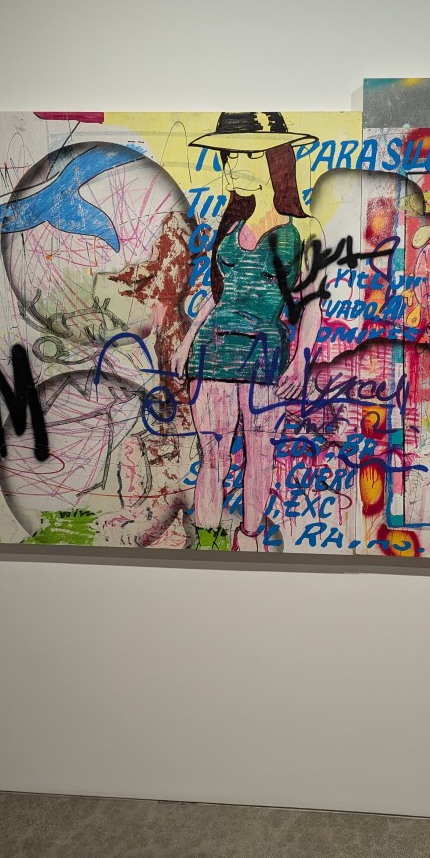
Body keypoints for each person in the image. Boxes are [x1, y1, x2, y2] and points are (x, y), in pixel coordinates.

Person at [171, 112, 323, 551]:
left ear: (277, 159)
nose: (234, 165)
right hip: (213, 350)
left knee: (260, 455)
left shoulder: (304, 229)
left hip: (266, 353)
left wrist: (301, 361)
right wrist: (186, 342)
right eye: (230, 155)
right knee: (213, 456)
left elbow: (311, 303)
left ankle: (250, 542)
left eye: (247, 154)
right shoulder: (232, 223)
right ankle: (207, 548)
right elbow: (219, 295)